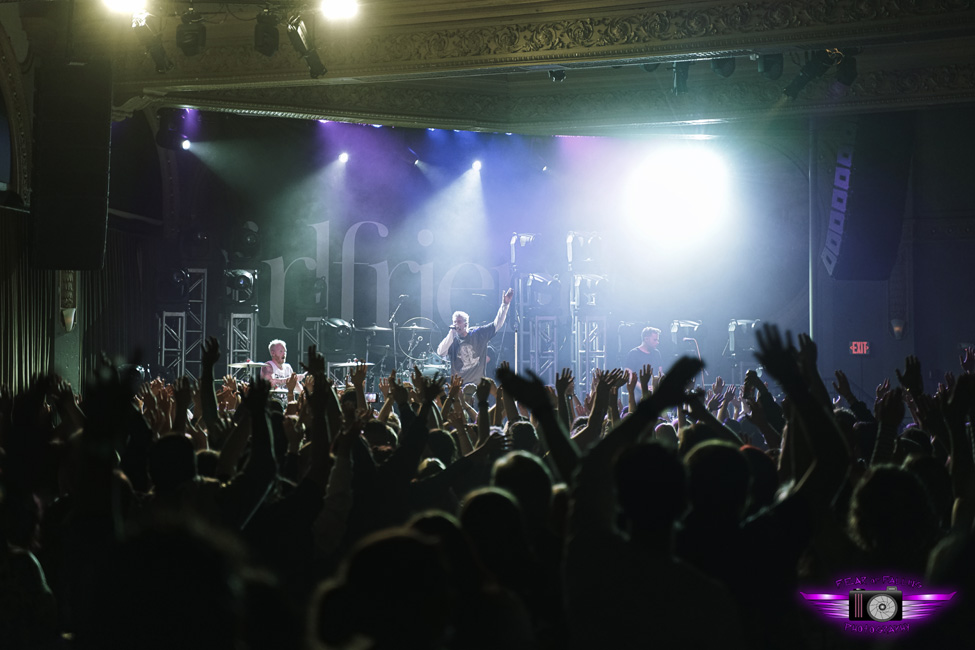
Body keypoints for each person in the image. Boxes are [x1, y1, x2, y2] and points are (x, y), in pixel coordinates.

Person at [437, 288, 513, 384]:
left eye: (459, 322)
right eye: (454, 322)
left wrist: (505, 305)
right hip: (458, 387)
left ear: (466, 324)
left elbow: (497, 324)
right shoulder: (452, 341)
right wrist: (451, 333)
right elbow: (440, 352)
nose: (456, 324)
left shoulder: (478, 334)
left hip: (477, 386)